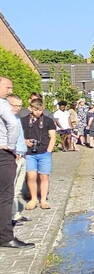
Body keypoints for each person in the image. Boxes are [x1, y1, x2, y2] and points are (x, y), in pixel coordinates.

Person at [0, 77, 33, 249]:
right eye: (8, 87)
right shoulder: (3, 104)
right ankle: (5, 237)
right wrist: (11, 147)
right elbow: (12, 125)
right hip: (4, 154)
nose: (10, 90)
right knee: (5, 196)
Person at [22, 99, 55, 212]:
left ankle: (43, 200)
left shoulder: (48, 121)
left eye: (40, 110)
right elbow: (19, 135)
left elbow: (53, 137)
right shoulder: (23, 120)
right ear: (30, 108)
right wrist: (25, 141)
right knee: (31, 176)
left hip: (44, 153)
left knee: (44, 176)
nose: (38, 112)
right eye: (36, 110)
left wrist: (49, 151)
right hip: (29, 153)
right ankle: (33, 199)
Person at [7, 95, 28, 226]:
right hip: (14, 156)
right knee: (11, 188)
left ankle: (16, 214)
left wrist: (25, 143)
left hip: (22, 154)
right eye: (15, 105)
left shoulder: (16, 118)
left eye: (20, 105)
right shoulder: (5, 120)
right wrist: (13, 152)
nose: (18, 108)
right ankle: (11, 217)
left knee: (18, 188)